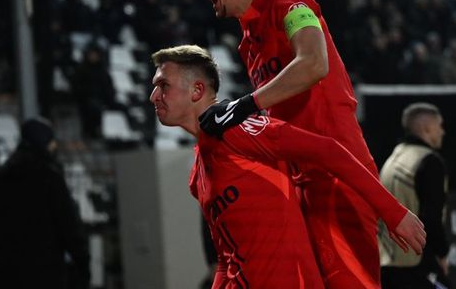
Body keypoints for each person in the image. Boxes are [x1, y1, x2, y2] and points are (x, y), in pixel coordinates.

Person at [195, 0, 393, 287]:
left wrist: (246, 104)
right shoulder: (247, 41)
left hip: (337, 178)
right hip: (302, 183)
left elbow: (315, 63)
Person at [149, 45, 426, 288]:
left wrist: (393, 213)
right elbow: (226, 258)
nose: (153, 96)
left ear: (197, 90)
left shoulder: (239, 129)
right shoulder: (197, 175)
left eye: (163, 85)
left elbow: (328, 150)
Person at [0, 118, 90, 289]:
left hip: (8, 276)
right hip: (46, 275)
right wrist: (83, 264)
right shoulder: (49, 177)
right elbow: (69, 227)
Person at [378, 103, 451, 289]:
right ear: (426, 128)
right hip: (415, 263)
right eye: (439, 126)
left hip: (386, 264)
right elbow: (431, 218)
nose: (443, 132)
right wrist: (442, 254)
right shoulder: (429, 160)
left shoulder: (393, 159)